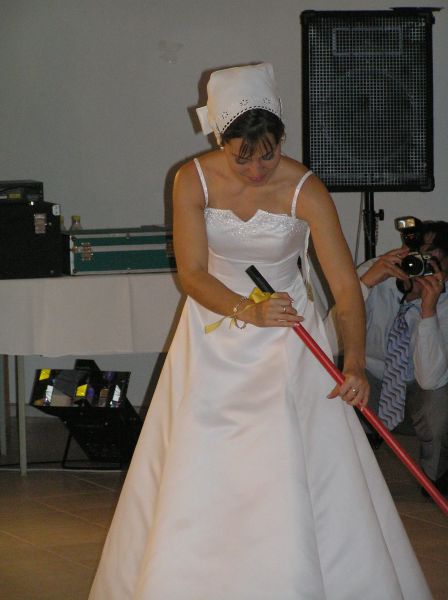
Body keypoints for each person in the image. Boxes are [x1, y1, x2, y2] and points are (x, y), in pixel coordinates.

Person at [89, 63, 431, 599]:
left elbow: (345, 289)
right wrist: (245, 311)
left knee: (285, 461)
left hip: (289, 338)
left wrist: (354, 363)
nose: (255, 169)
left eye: (267, 154)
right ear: (220, 142)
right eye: (242, 156)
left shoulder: (305, 188)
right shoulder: (192, 179)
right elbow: (192, 274)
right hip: (214, 335)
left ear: (282, 139)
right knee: (205, 458)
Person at [358, 219, 448, 495]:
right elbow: (326, 338)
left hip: (420, 388)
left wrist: (428, 311)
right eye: (418, 257)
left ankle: (434, 476)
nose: (420, 269)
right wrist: (364, 285)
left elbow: (430, 380)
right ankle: (362, 441)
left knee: (437, 402)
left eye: (432, 264)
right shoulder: (375, 272)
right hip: (370, 378)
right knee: (331, 374)